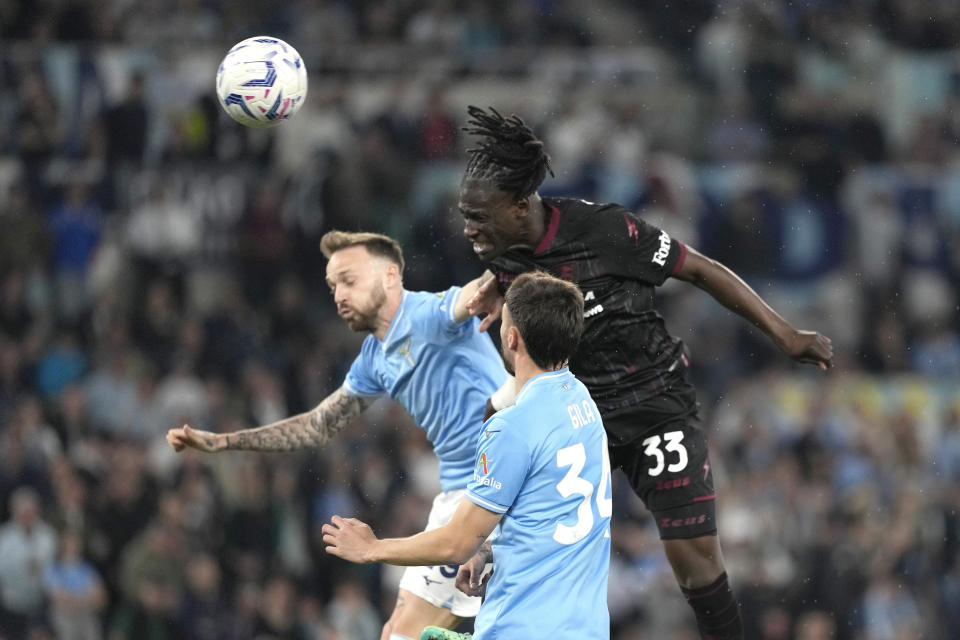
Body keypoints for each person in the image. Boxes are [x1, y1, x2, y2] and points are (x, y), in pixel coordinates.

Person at [455, 106, 835, 640]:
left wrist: (784, 335)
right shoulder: (506, 251)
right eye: (465, 215)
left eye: (478, 216)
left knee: (694, 558)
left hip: (655, 402)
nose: (468, 228)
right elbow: (513, 278)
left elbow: (700, 269)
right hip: (579, 412)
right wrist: (495, 289)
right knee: (512, 508)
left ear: (520, 208)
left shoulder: (607, 230)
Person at [165, 230, 510, 640]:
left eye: (349, 280)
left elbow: (478, 288)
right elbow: (316, 425)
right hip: (462, 491)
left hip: (503, 477)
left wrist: (506, 264)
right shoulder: (373, 360)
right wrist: (226, 441)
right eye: (332, 286)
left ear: (389, 275)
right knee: (399, 635)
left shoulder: (428, 314)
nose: (338, 295)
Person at [322, 271, 612, 640]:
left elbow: (456, 543)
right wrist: (489, 550)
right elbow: (555, 513)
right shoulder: (582, 402)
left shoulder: (512, 427)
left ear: (511, 338)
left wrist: (372, 548)